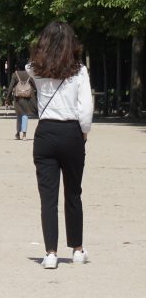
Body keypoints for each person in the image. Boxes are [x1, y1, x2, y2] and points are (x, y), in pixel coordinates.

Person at [26, 21, 93, 270]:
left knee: (48, 197)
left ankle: (51, 253)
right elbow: (85, 109)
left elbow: (28, 66)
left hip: (46, 132)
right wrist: (84, 132)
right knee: (73, 192)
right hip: (71, 131)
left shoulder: (36, 69)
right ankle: (76, 248)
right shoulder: (80, 72)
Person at [7, 64, 37, 140]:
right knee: (25, 114)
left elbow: (10, 87)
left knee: (19, 115)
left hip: (18, 98)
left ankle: (18, 133)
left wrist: (8, 98)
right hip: (28, 98)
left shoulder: (15, 74)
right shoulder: (29, 74)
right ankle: (24, 134)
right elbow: (35, 86)